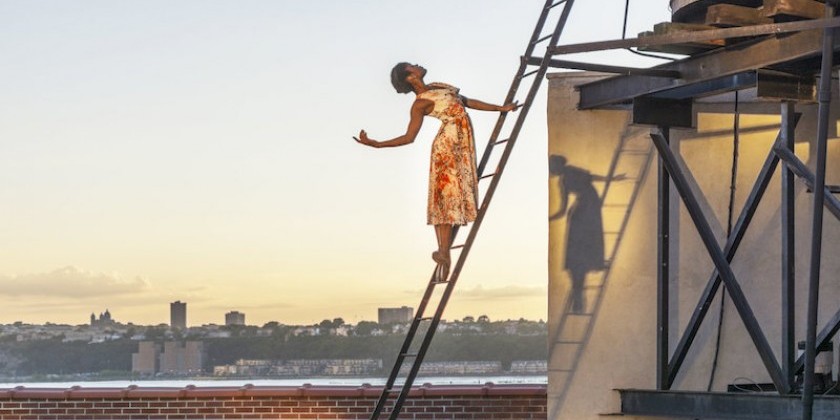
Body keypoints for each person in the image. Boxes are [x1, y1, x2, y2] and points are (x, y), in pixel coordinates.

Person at [355, 63, 518, 282]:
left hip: (461, 145)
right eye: (412, 66)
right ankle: (443, 252)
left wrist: (501, 108)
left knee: (453, 196)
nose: (417, 65)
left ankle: (444, 252)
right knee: (444, 197)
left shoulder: (438, 86)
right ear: (410, 78)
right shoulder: (420, 103)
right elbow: (409, 137)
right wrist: (377, 144)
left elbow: (467, 102)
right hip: (446, 148)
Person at [549, 154, 624, 313]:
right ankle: (578, 297)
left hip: (588, 206)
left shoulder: (570, 172)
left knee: (580, 248)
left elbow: (591, 177)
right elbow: (563, 209)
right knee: (576, 255)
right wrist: (549, 219)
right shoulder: (563, 181)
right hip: (584, 207)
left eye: (552, 166)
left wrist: (612, 179)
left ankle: (579, 295)